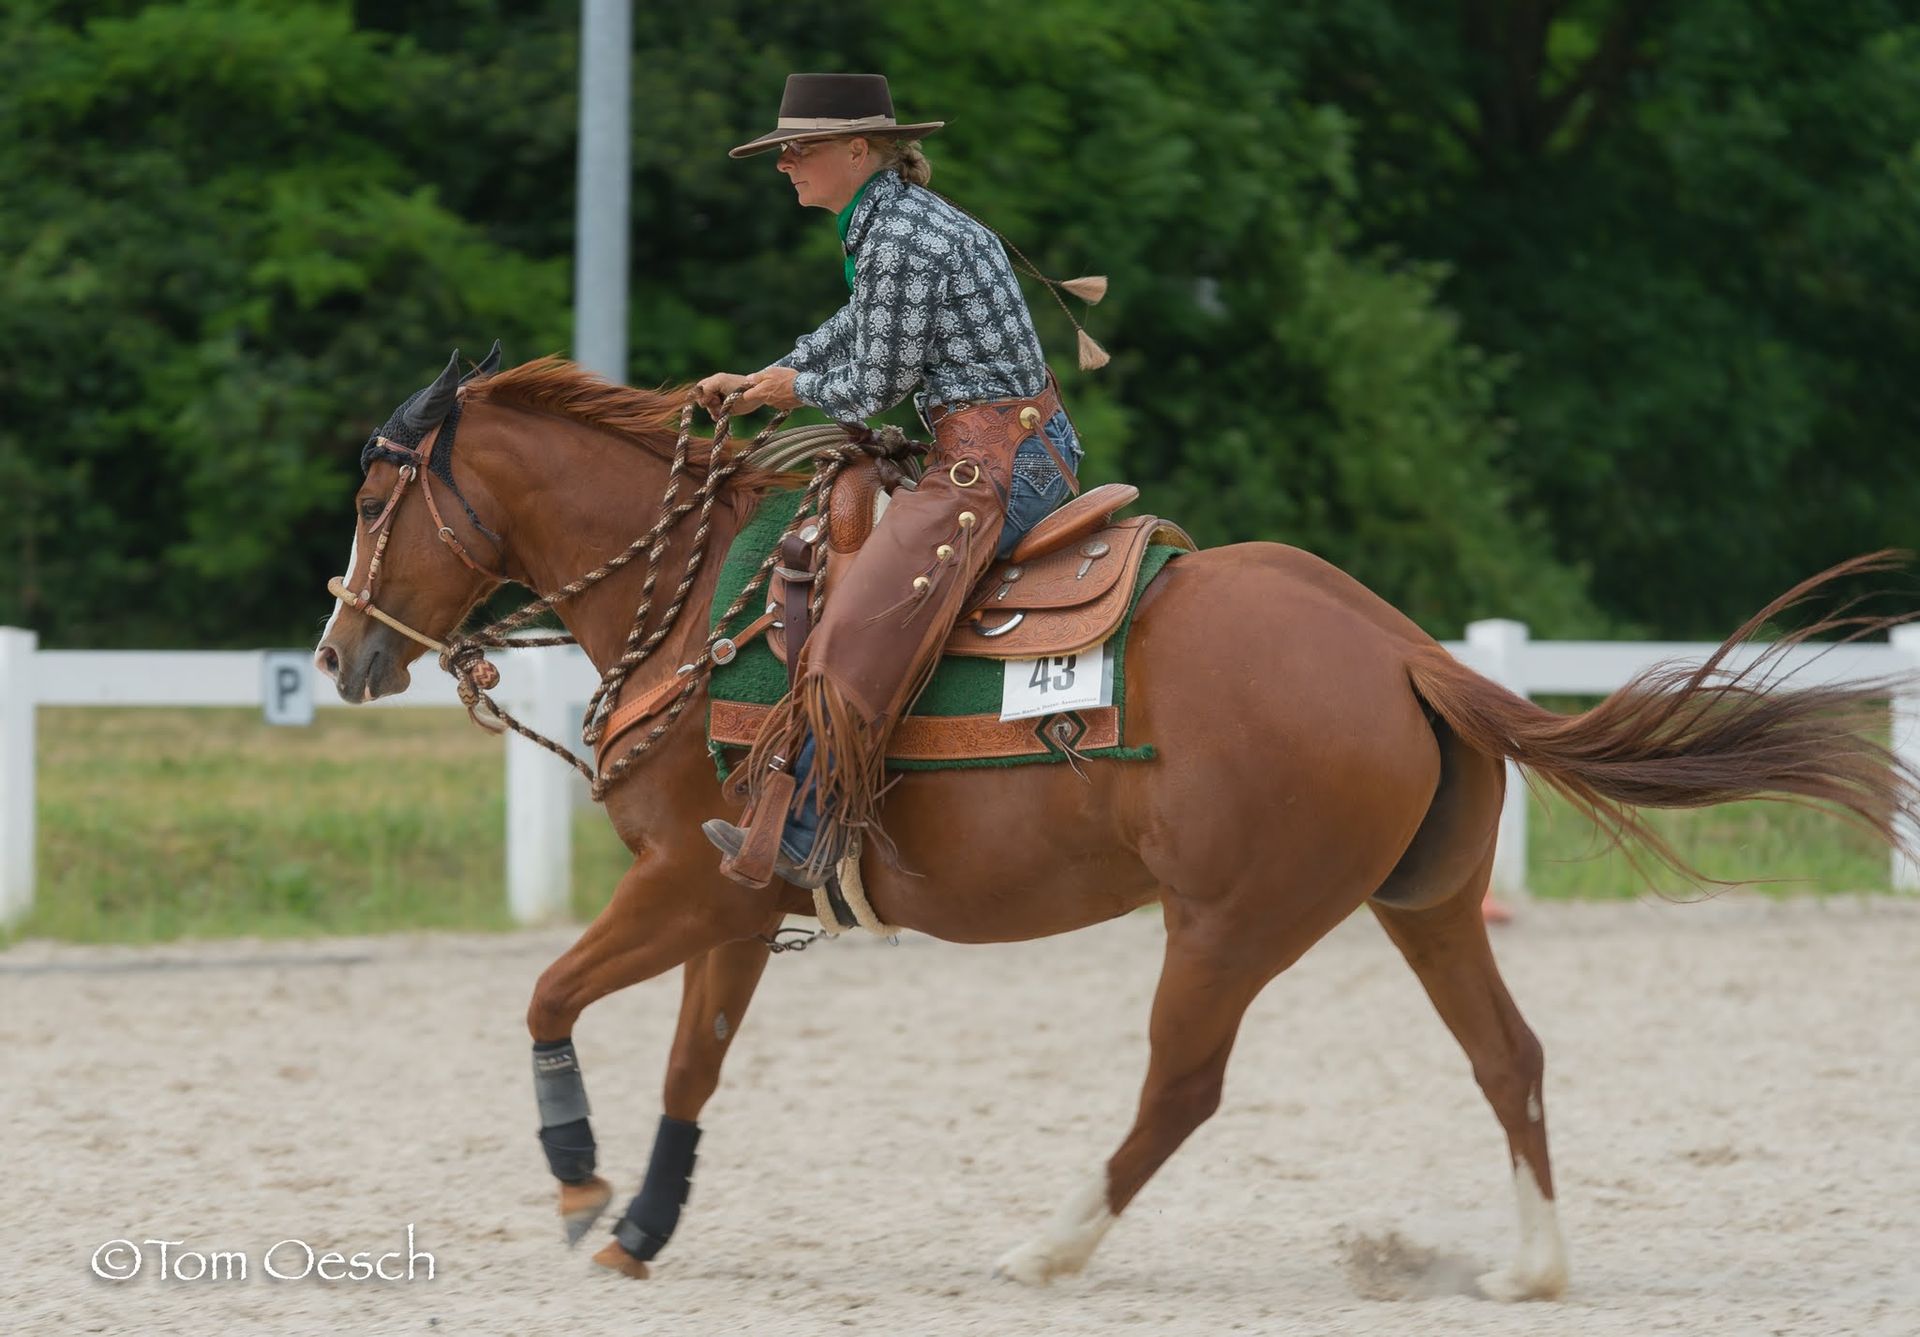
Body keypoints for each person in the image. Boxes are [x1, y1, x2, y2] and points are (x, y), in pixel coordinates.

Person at [696, 73, 1090, 890]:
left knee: (857, 617)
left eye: (796, 149)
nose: (784, 164)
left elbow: (875, 382)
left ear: (857, 149)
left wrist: (781, 389)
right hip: (997, 449)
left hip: (997, 468)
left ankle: (807, 827)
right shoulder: (890, 226)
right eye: (781, 152)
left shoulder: (899, 236)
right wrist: (775, 369)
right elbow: (860, 329)